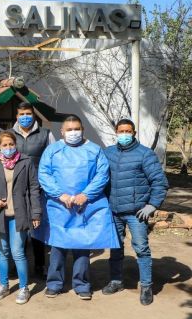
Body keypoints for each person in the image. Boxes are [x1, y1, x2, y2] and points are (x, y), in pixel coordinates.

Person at [38, 115, 119, 300]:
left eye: (76, 129)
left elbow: (101, 175)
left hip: (86, 207)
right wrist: (60, 194)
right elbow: (44, 174)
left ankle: (82, 285)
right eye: (69, 129)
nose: (73, 132)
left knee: (82, 248)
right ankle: (54, 283)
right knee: (57, 248)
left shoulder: (94, 150)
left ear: (82, 129)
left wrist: (86, 195)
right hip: (59, 207)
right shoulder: (52, 150)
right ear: (62, 131)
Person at [102, 118, 169, 305]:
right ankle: (116, 281)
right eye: (121, 131)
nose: (124, 134)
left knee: (141, 249)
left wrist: (152, 205)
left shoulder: (145, 155)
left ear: (134, 133)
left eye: (128, 131)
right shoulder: (108, 153)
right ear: (116, 132)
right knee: (115, 248)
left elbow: (159, 181)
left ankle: (146, 286)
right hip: (113, 211)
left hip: (136, 212)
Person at [0, 131, 41, 304]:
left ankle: (24, 288)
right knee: (2, 252)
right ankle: (4, 285)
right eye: (4, 145)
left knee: (17, 252)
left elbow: (34, 188)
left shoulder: (25, 161)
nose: (8, 148)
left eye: (11, 144)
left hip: (20, 214)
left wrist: (36, 213)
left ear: (15, 144)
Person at [9, 102, 55, 279]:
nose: (25, 117)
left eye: (28, 113)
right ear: (17, 116)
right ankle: (15, 265)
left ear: (34, 115)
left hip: (38, 188)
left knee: (38, 227)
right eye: (21, 114)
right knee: (16, 227)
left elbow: (53, 159)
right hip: (15, 189)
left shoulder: (45, 134)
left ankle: (40, 265)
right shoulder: (9, 135)